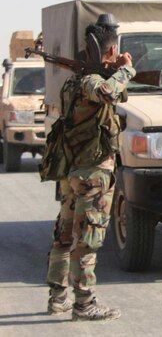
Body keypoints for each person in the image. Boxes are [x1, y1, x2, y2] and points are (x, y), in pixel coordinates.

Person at [46, 17, 132, 321]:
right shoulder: (92, 82)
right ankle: (84, 304)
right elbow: (109, 92)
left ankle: (58, 298)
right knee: (88, 239)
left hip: (72, 173)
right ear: (110, 50)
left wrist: (114, 72)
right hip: (92, 174)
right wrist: (126, 70)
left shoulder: (74, 82)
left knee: (65, 236)